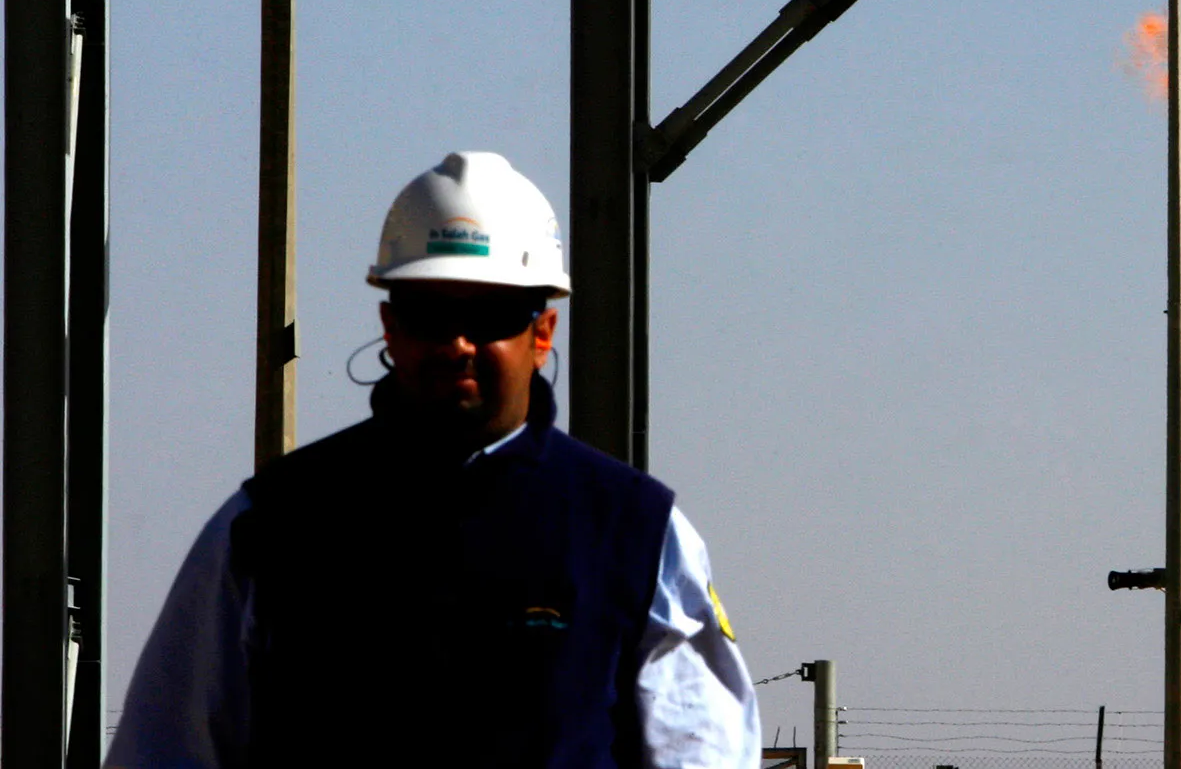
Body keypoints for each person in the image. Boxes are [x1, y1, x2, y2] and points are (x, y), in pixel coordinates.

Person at [106, 151, 759, 769]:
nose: (458, 343)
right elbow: (165, 746)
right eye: (430, 314)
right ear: (390, 326)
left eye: (492, 314)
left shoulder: (637, 536)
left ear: (542, 331)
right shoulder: (270, 526)